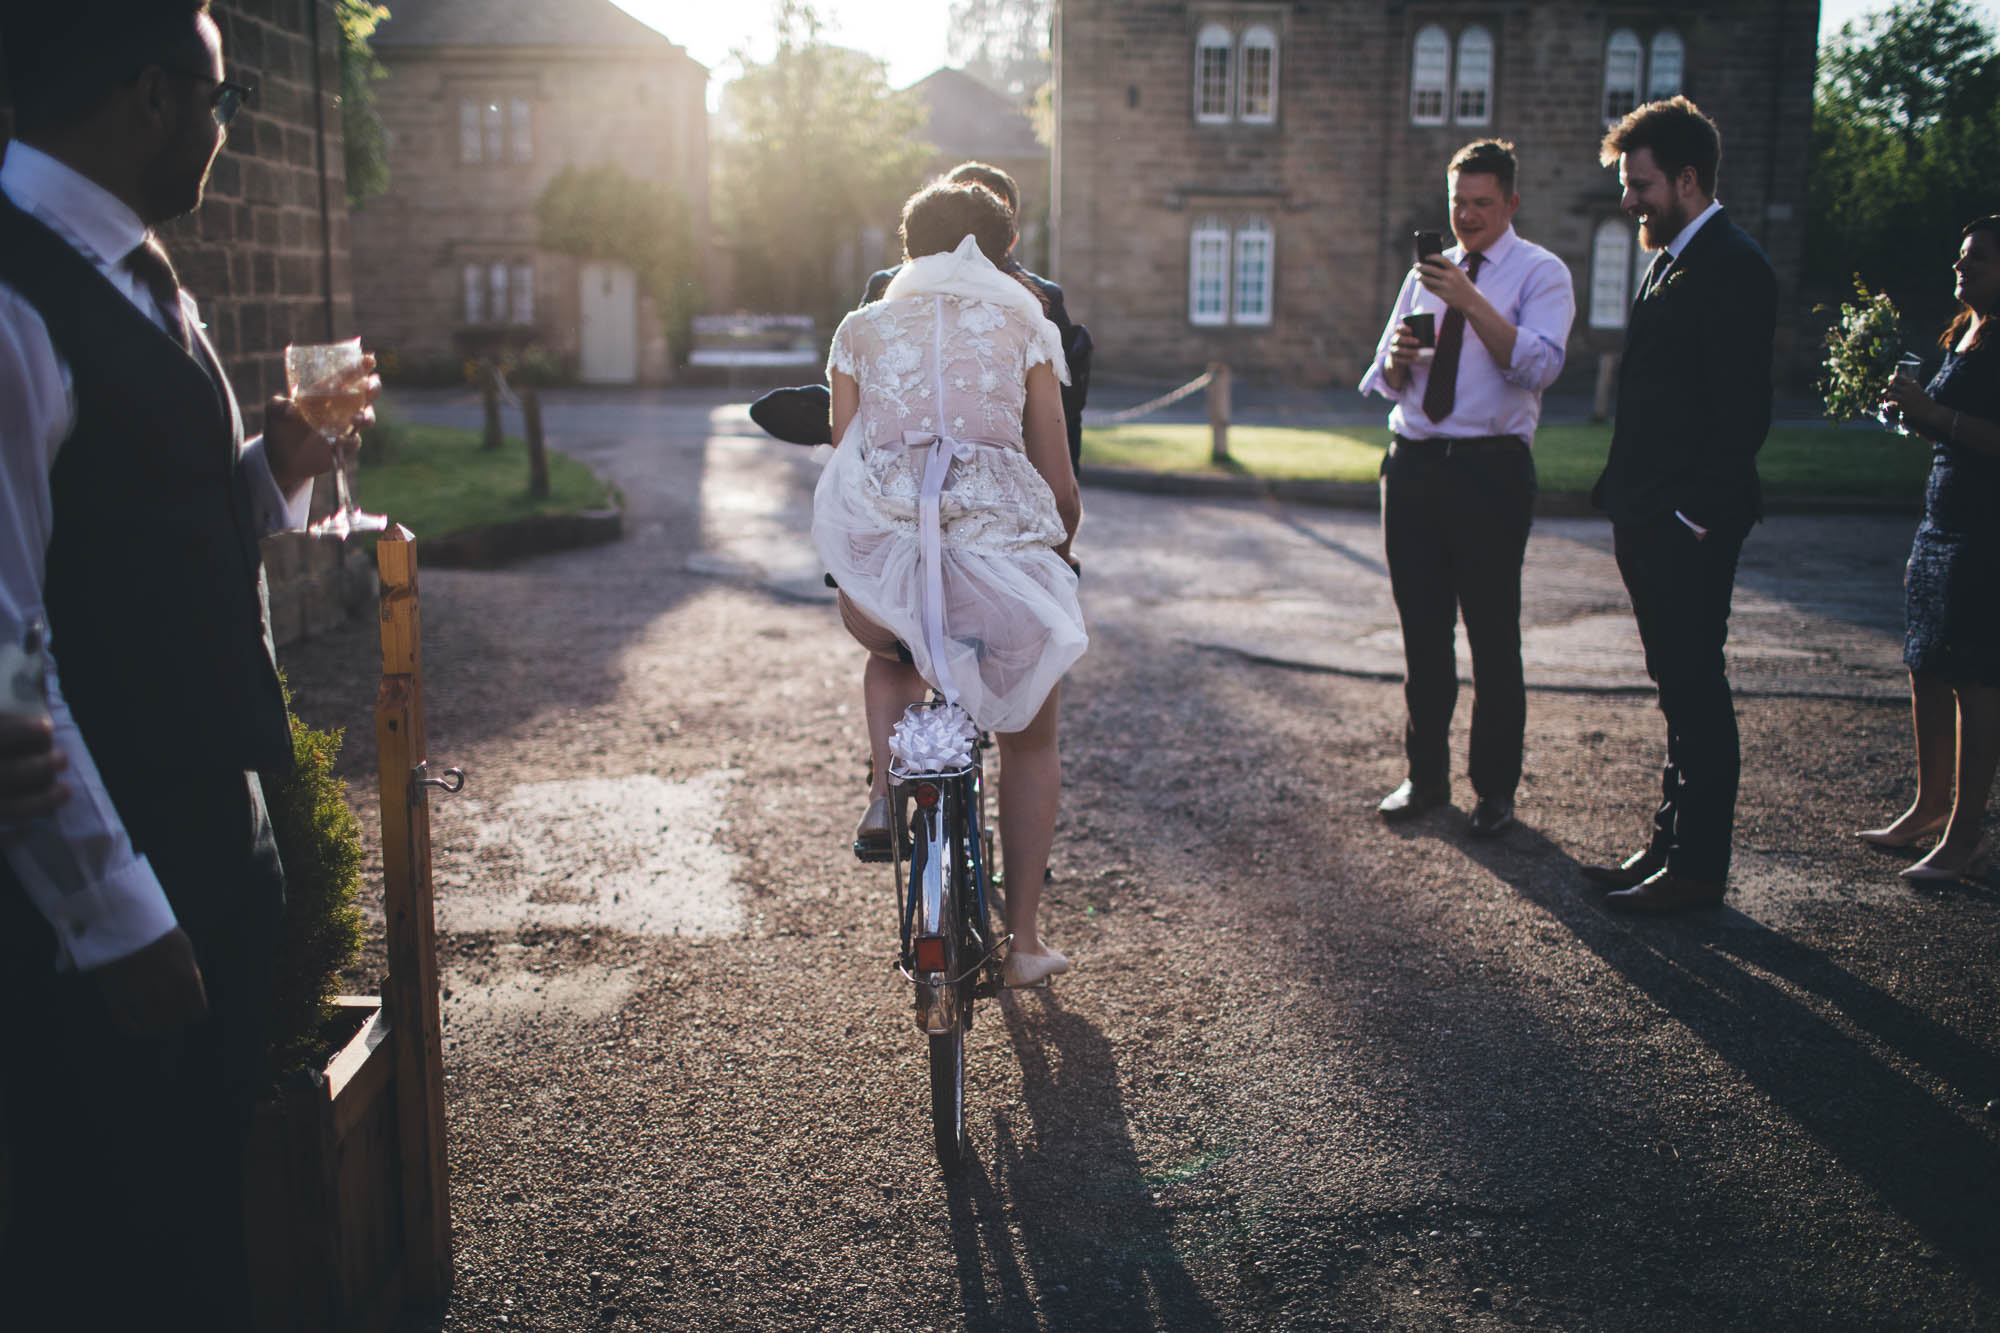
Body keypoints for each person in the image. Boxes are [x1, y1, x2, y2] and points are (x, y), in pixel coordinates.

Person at [0, 3, 378, 1327]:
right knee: (117, 1236)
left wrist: (278, 464)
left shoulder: (136, 273)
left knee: (205, 1202)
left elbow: (152, 535)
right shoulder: (14, 296)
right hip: (109, 870)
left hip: (211, 821)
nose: (232, 131)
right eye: (220, 100)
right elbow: (9, 645)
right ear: (151, 97)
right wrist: (116, 913)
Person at [813, 179, 1085, 989]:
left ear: (908, 250)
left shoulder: (858, 330)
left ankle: (882, 793)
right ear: (1003, 255)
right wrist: (1054, 559)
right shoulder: (1025, 324)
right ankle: (1026, 941)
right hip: (1000, 575)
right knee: (1031, 735)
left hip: (884, 582)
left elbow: (847, 466)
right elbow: (1060, 487)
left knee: (894, 644)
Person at [1580, 96, 1777, 914]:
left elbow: (1741, 415)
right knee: (1676, 688)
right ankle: (1670, 844)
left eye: (1642, 184)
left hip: (1686, 526)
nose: (1630, 200)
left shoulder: (1734, 264)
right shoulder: (1672, 255)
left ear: (1688, 180)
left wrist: (1688, 519)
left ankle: (1697, 870)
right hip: (1651, 513)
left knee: (1697, 687)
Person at [1358, 139, 1574, 837]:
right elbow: (1386, 377)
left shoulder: (1542, 273)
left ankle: (1495, 790)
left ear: (1511, 202)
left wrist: (1471, 299)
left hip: (1489, 471)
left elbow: (1536, 366)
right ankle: (1425, 777)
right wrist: (1395, 360)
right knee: (1423, 634)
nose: (1469, 216)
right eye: (1459, 203)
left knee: (1491, 634)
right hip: (1414, 464)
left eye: (1483, 203)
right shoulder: (1426, 271)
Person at [751, 160, 1093, 470]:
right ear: (1010, 237)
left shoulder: (1039, 303)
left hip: (956, 491)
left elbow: (1064, 412)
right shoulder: (1039, 302)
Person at [1857, 216, 2000, 883]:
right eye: (1959, 257)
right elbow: (1947, 430)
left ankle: (1966, 834)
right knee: (1926, 663)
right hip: (1942, 519)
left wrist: (1935, 415)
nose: (1960, 268)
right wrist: (1914, 415)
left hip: (1986, 528)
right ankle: (1928, 806)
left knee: (1975, 677)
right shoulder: (1965, 332)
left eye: (1975, 260)